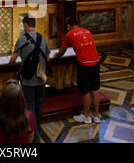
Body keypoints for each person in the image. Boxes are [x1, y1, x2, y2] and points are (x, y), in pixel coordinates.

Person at [9, 15, 50, 143]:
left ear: (26, 25)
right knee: (39, 105)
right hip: (41, 79)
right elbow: (48, 58)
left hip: (27, 80)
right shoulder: (42, 38)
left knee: (30, 106)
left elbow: (13, 59)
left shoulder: (22, 39)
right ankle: (37, 130)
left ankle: (35, 136)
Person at [54, 17, 101, 124]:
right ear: (78, 24)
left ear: (69, 26)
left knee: (85, 91)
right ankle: (96, 115)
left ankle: (86, 116)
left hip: (84, 65)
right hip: (96, 62)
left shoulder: (69, 34)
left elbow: (62, 50)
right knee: (95, 89)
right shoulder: (87, 31)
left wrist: (57, 55)